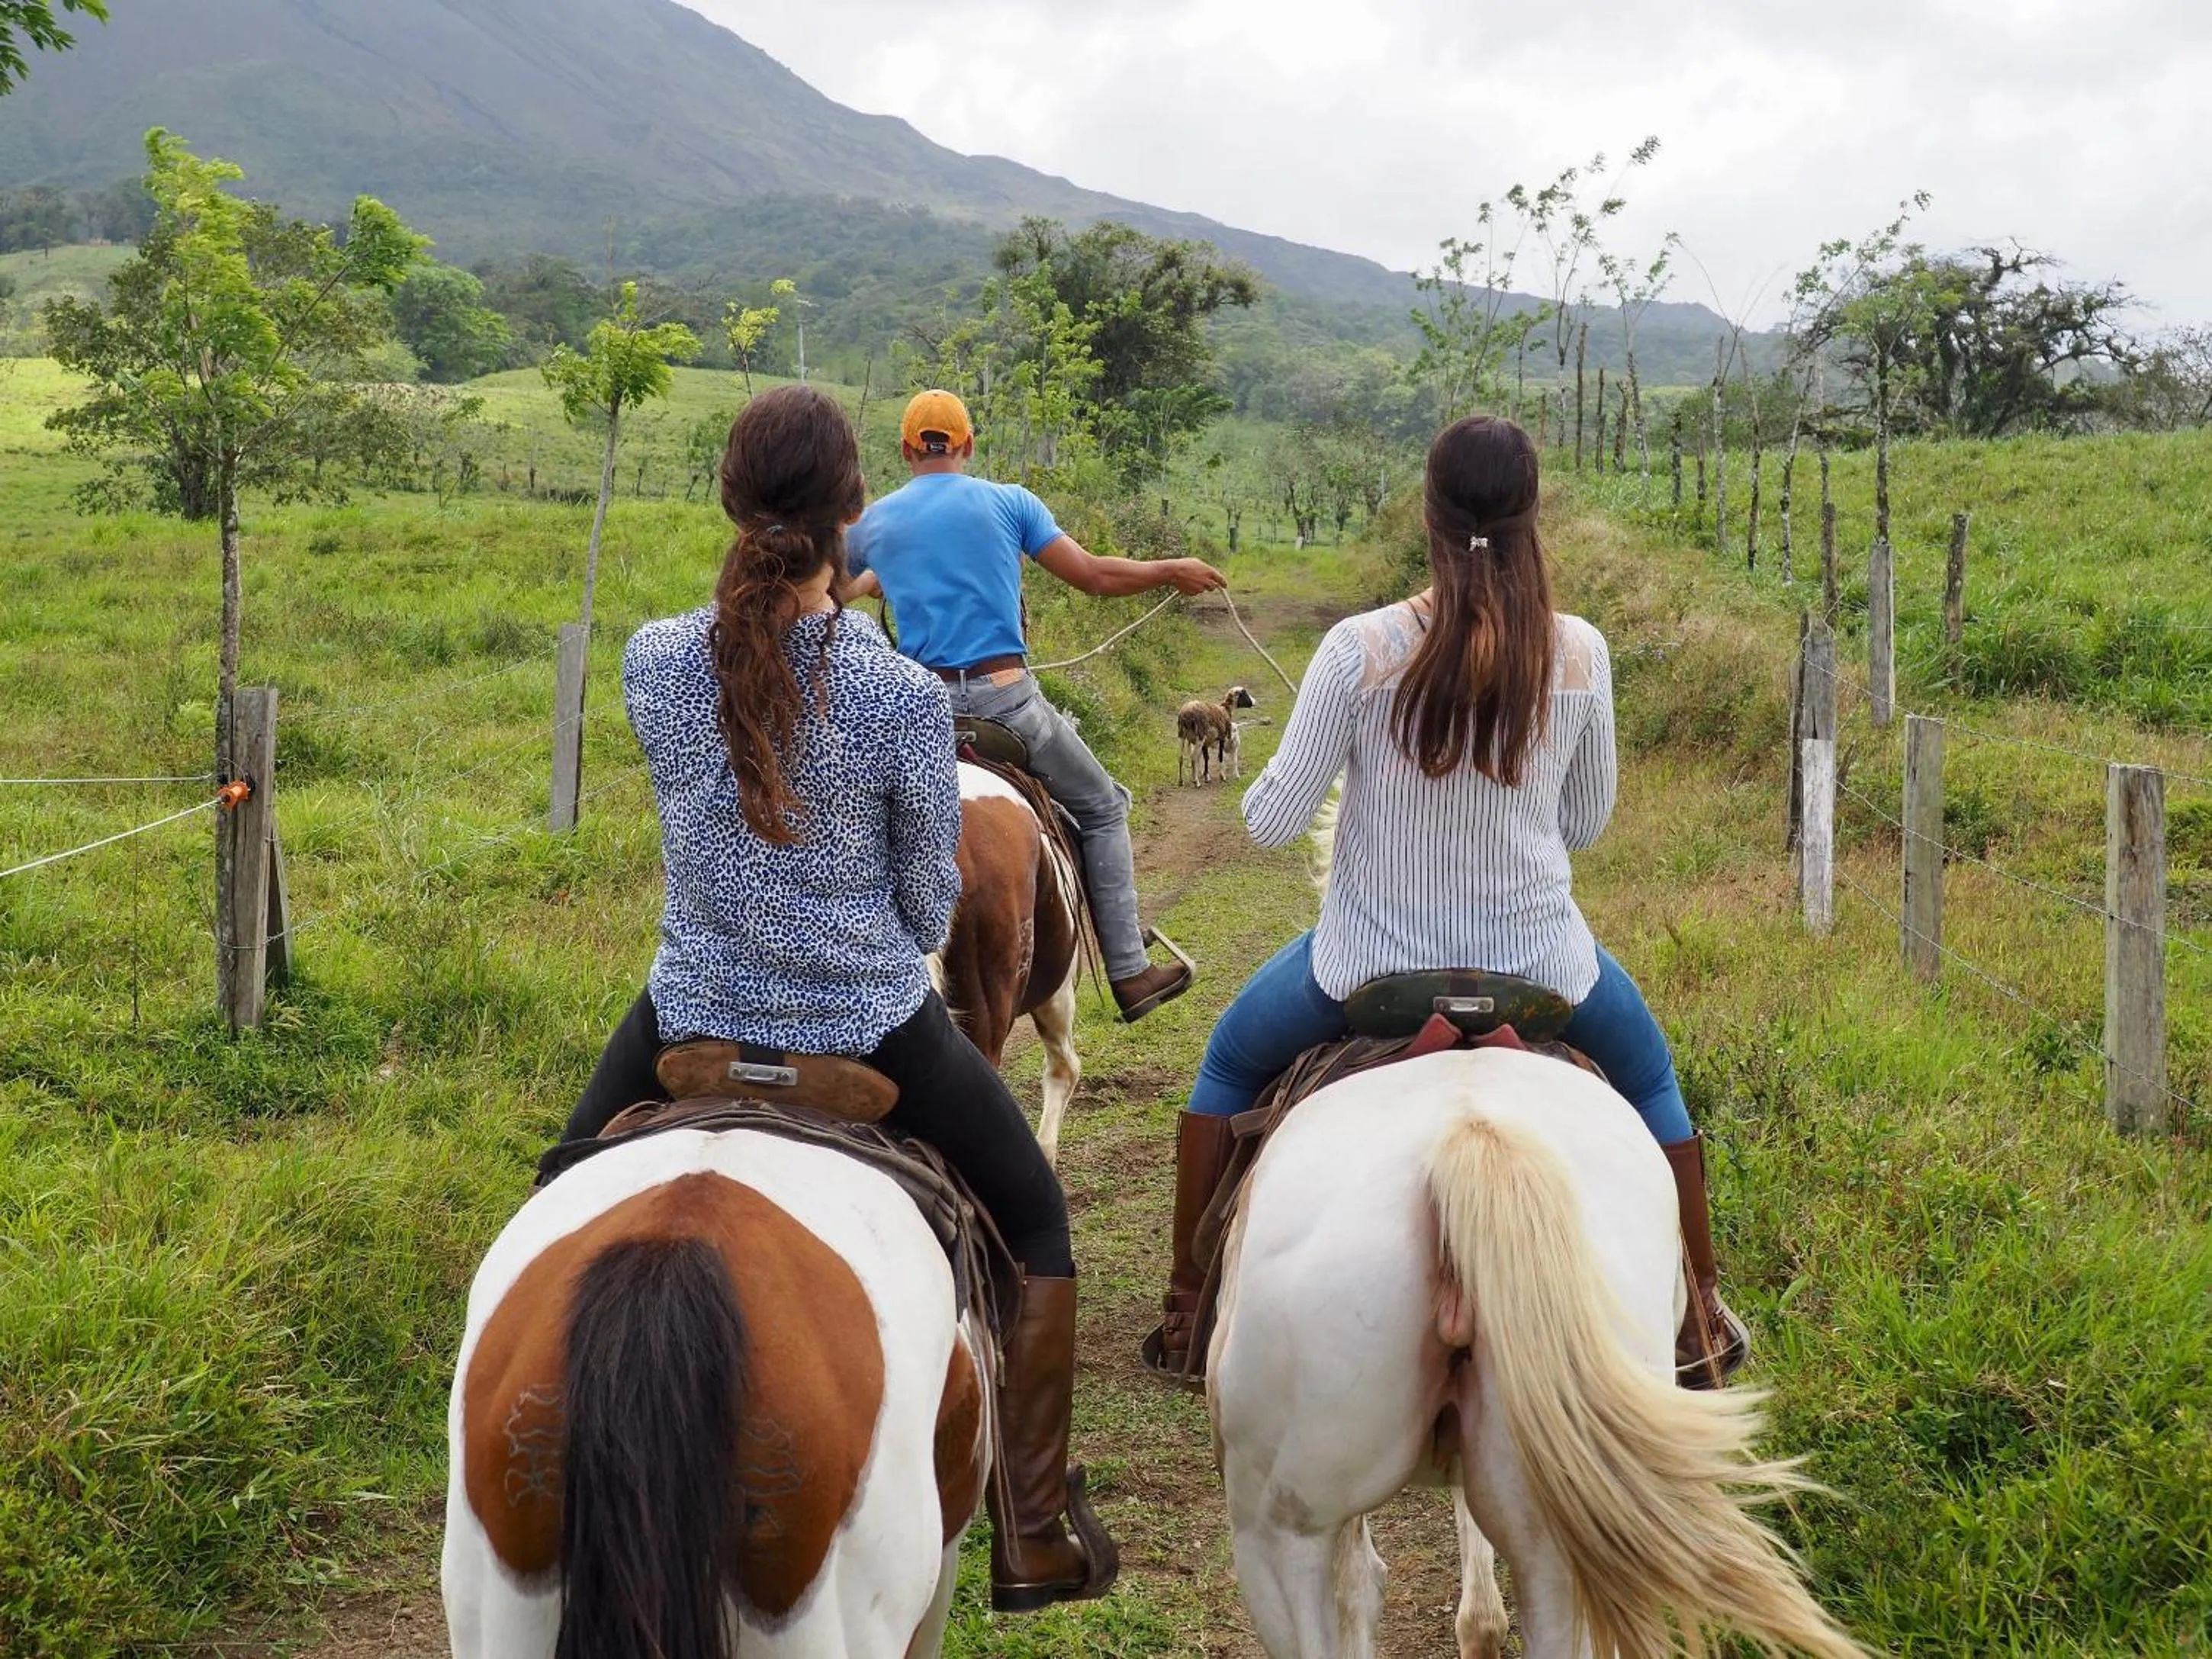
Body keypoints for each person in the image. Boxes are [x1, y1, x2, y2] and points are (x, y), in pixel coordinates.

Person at [564, 384, 1117, 1612]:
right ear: (851, 515)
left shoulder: (652, 660)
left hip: (685, 1011)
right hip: (868, 1022)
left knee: (558, 1183)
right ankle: (1033, 1530)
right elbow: (927, 911)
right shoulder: (900, 698)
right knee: (1034, 1215)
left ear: (728, 500)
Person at [1143, 414, 1751, 1391]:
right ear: (1531, 515)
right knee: (1651, 1087)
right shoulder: (1582, 654)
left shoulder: (1357, 648)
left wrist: (1297, 757)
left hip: (1366, 975)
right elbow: (1587, 823)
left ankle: (1184, 1307)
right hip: (1545, 973)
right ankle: (1701, 1315)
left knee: (1223, 1066)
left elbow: (1266, 823)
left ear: (1426, 517)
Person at [841, 389, 1227, 1021]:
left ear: (908, 449)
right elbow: (1097, 577)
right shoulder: (1010, 501)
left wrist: (874, 576)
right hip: (1008, 702)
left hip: (919, 712)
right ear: (967, 445)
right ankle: (1129, 971)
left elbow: (827, 592)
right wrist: (1170, 568)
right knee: (1104, 807)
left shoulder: (874, 523)